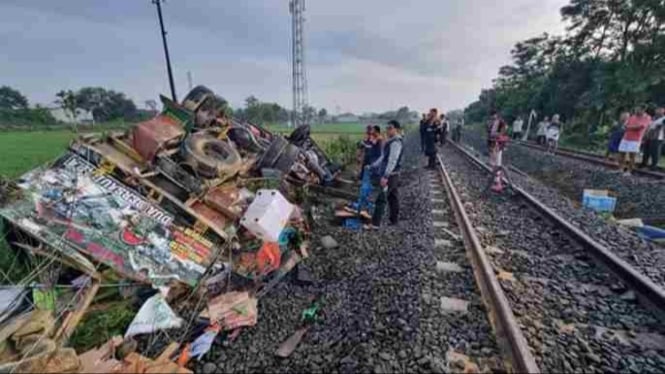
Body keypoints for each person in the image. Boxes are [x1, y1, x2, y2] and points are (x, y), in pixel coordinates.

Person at [369, 120, 404, 229]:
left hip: (391, 175)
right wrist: (373, 166)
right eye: (387, 128)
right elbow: (383, 157)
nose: (388, 130)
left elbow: (392, 160)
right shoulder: (391, 141)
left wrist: (385, 176)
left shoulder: (396, 143)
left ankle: (375, 224)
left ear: (396, 129)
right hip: (392, 174)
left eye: (390, 128)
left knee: (381, 198)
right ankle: (394, 219)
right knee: (393, 197)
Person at [619, 105, 651, 176]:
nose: (636, 111)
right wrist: (627, 126)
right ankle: (621, 169)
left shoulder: (647, 117)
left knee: (632, 155)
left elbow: (640, 127)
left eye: (638, 109)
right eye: (636, 109)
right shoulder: (632, 117)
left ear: (643, 110)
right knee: (621, 153)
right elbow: (625, 125)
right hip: (626, 137)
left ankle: (629, 171)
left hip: (635, 139)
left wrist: (628, 127)